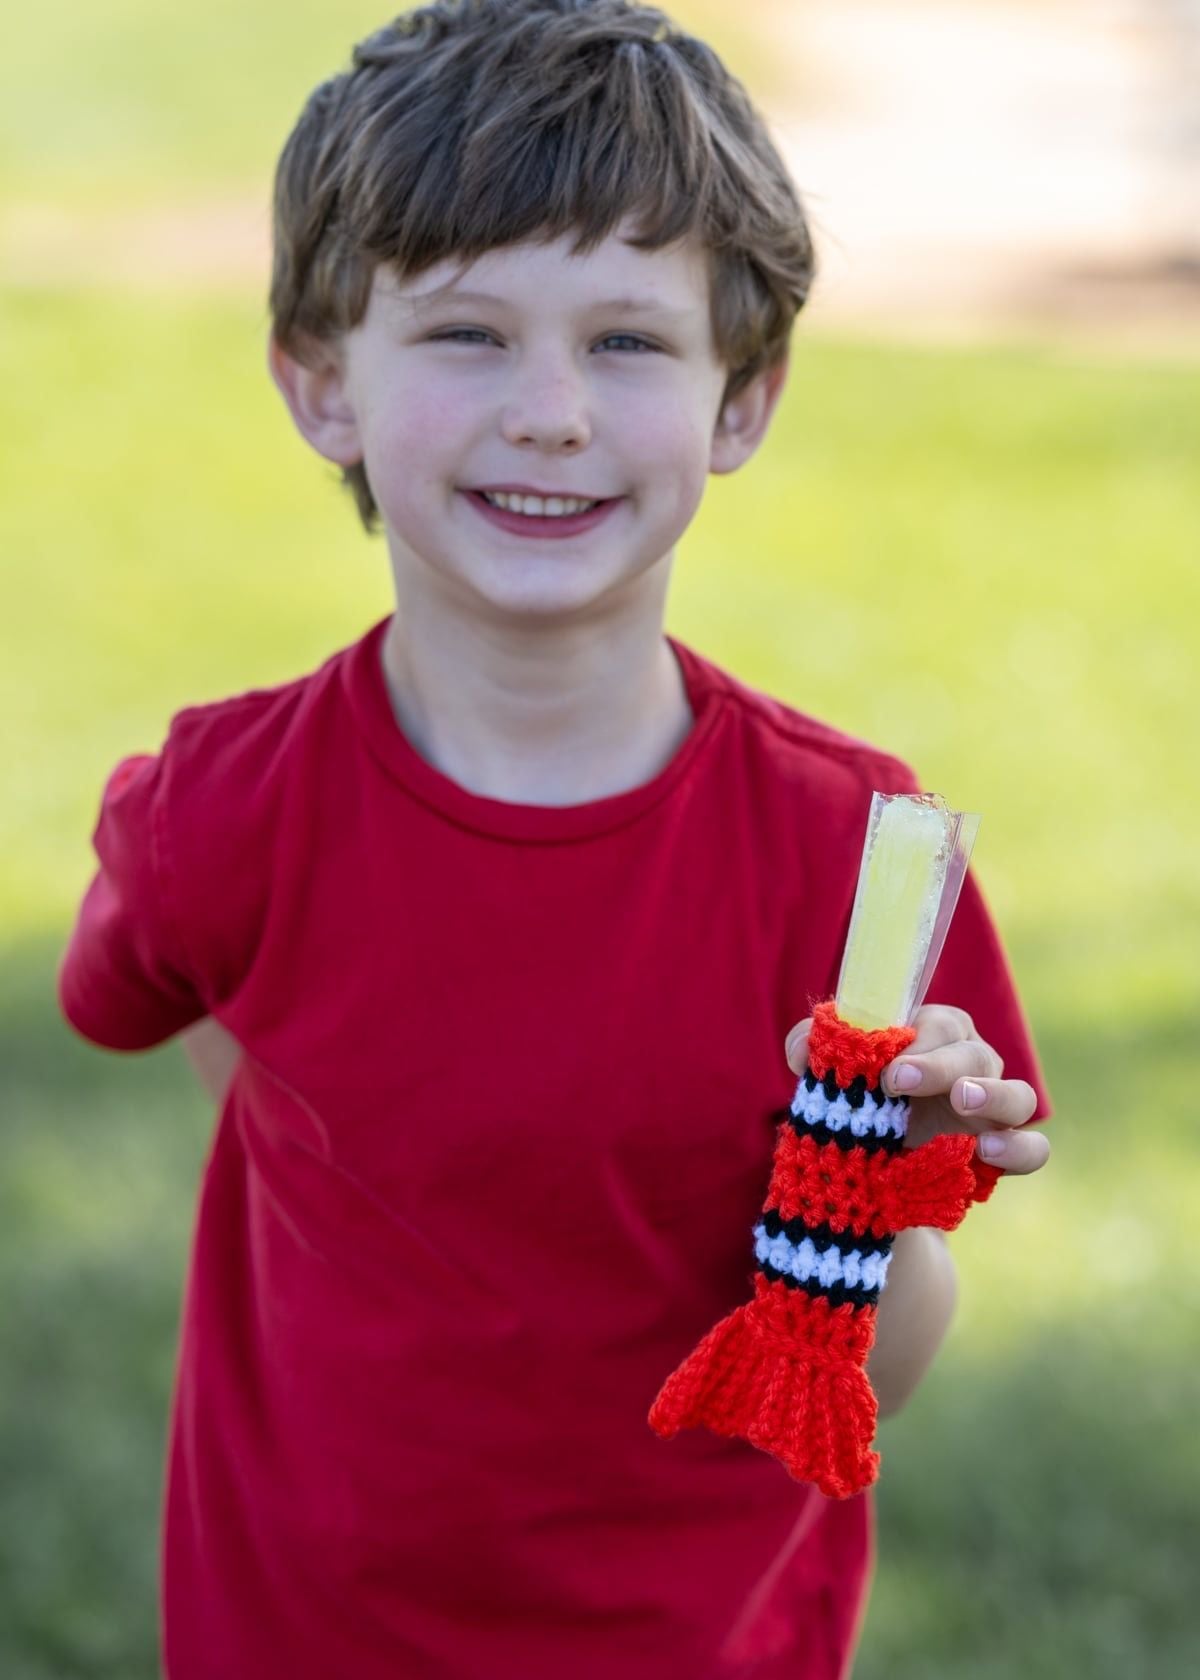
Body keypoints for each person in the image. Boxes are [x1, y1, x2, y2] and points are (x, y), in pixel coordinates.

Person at [56, 3, 1052, 1676]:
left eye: (629, 343)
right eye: (464, 335)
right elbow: (164, 1005)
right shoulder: (223, 815)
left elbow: (874, 1365)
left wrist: (874, 1201)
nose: (552, 413)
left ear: (743, 401)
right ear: (321, 385)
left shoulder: (856, 862)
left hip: (702, 1643)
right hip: (292, 1635)